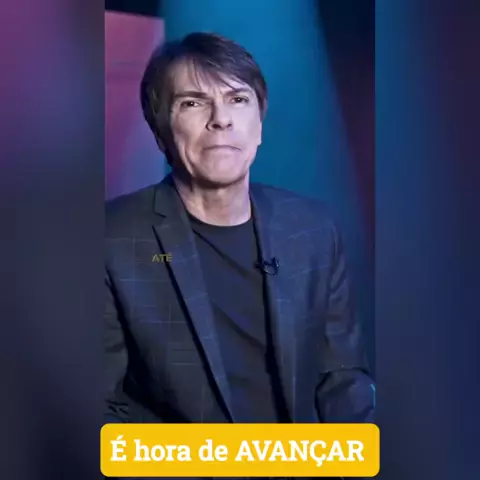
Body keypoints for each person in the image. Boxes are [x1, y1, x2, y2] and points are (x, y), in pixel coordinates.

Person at [105, 32, 374, 432]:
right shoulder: (110, 238)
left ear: (259, 126)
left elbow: (342, 380)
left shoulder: (313, 230)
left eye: (238, 99)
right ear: (161, 132)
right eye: (193, 102)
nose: (221, 119)